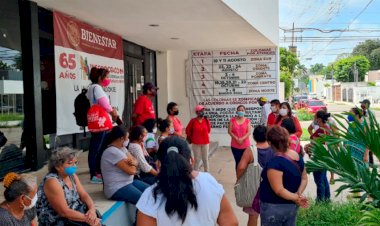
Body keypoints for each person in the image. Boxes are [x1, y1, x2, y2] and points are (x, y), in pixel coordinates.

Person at [136, 137, 238, 226]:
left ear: (158, 164)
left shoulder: (149, 197)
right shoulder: (209, 182)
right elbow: (231, 222)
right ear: (191, 161)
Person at [36, 147, 101, 226]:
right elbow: (64, 212)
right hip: (58, 220)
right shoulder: (52, 182)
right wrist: (89, 219)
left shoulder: (71, 175)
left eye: (75, 163)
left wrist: (92, 210)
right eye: (70, 163)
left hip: (75, 213)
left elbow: (84, 195)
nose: (74, 166)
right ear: (57, 166)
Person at [260, 126, 308, 226]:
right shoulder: (296, 156)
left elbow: (279, 190)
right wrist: (298, 194)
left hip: (274, 208)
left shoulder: (275, 163)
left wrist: (296, 197)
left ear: (269, 142)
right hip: (291, 207)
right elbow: (304, 178)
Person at [236, 125, 274, 226]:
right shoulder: (274, 149)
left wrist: (238, 179)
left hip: (254, 188)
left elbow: (241, 167)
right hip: (272, 187)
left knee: (253, 215)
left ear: (254, 137)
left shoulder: (250, 150)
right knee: (270, 216)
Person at [101, 125, 149, 204]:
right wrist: (134, 163)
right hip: (117, 187)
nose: (128, 140)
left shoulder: (122, 148)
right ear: (121, 138)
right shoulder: (112, 152)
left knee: (150, 191)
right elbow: (132, 171)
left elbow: (135, 161)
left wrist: (134, 162)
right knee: (143, 200)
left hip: (128, 182)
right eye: (127, 138)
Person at [87, 67, 118, 183]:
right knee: (97, 149)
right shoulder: (97, 88)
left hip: (96, 122)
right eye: (107, 77)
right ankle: (95, 174)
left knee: (95, 148)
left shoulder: (91, 88)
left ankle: (96, 172)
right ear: (100, 78)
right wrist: (113, 111)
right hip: (101, 122)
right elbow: (105, 105)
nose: (108, 79)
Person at [310, 110, 332, 202]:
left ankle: (320, 200)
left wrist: (308, 146)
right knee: (323, 178)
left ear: (319, 119)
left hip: (319, 156)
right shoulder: (327, 128)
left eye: (315, 117)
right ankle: (327, 198)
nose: (314, 119)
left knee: (319, 180)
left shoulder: (321, 130)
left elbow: (316, 143)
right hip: (325, 155)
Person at [186, 105, 211, 172]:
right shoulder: (193, 121)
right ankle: (196, 174)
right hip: (196, 143)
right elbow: (187, 130)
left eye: (203, 110)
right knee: (197, 159)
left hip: (205, 142)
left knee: (205, 159)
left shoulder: (206, 120)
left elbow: (208, 130)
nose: (202, 112)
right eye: (200, 110)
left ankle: (207, 174)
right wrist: (192, 137)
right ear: (197, 112)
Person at [228, 105, 252, 169]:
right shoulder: (232, 120)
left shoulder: (247, 121)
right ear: (236, 111)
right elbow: (229, 131)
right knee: (238, 162)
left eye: (242, 110)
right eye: (239, 110)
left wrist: (241, 139)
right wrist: (236, 138)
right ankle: (238, 178)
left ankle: (246, 178)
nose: (240, 111)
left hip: (246, 146)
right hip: (235, 145)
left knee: (246, 163)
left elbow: (249, 132)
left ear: (245, 111)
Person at [360, 99, 374, 164]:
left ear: (366, 104)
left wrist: (363, 115)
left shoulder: (369, 112)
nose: (361, 105)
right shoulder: (363, 111)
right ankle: (370, 161)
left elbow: (368, 122)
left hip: (368, 131)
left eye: (362, 104)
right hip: (364, 130)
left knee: (368, 146)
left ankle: (370, 161)